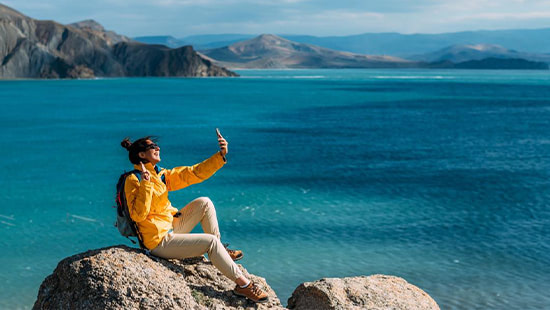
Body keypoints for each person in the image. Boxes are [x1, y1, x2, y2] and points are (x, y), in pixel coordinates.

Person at [120, 133, 268, 303]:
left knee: (204, 202)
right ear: (141, 155)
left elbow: (192, 173)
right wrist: (145, 184)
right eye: (153, 146)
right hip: (157, 241)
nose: (158, 148)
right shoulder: (133, 179)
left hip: (171, 227)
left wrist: (220, 156)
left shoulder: (160, 175)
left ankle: (221, 251)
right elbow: (138, 215)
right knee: (210, 242)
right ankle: (244, 286)